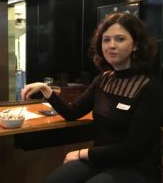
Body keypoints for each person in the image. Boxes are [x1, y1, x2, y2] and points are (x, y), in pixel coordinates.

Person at [21, 12, 163, 183]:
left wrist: (82, 153)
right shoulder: (103, 79)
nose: (111, 45)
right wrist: (46, 90)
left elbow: (131, 149)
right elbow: (72, 112)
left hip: (136, 168)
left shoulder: (150, 88)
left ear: (135, 45)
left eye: (120, 39)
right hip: (101, 161)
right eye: (106, 39)